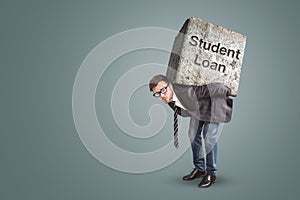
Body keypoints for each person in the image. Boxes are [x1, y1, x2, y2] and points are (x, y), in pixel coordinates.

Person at [149, 74, 233, 188]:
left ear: (170, 85)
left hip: (213, 106)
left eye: (163, 90)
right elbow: (183, 110)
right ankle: (200, 169)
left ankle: (211, 173)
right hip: (198, 109)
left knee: (209, 138)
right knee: (192, 134)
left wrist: (228, 90)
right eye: (157, 94)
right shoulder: (168, 99)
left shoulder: (188, 91)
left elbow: (215, 87)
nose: (162, 96)